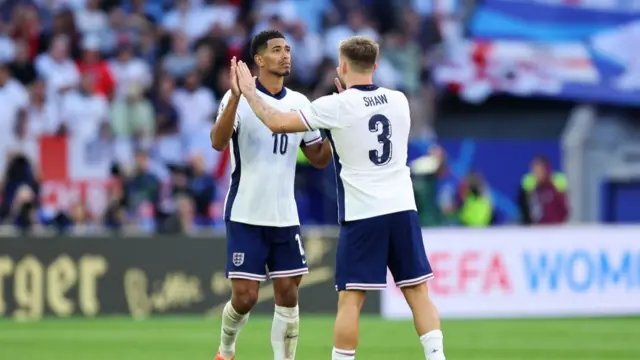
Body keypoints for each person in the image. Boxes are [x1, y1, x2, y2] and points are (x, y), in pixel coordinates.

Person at [234, 36, 447, 360]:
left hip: (363, 213)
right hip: (403, 208)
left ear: (343, 66)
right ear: (374, 66)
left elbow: (277, 122)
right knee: (418, 292)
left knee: (351, 300)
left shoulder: (334, 106)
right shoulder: (399, 100)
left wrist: (250, 94)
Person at [210, 30, 332, 360]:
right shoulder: (235, 96)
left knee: (288, 292)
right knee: (246, 297)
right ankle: (226, 348)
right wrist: (236, 97)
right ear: (259, 60)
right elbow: (218, 142)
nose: (286, 55)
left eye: (288, 49)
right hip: (246, 211)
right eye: (277, 50)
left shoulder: (299, 103)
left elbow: (319, 158)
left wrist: (335, 127)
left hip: (284, 214)